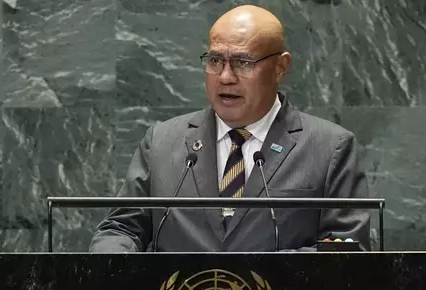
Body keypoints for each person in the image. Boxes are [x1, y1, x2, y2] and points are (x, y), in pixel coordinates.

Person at [90, 5, 371, 252]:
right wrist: (115, 262)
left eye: (242, 62)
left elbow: (346, 249)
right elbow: (121, 229)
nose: (225, 77)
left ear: (280, 68)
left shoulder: (330, 147)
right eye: (215, 61)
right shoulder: (163, 142)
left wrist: (248, 273)